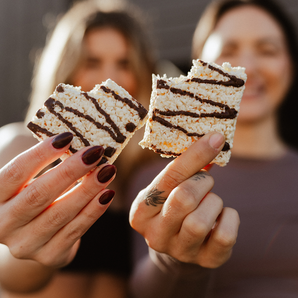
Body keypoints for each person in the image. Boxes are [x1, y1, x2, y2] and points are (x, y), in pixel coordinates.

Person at [0, 0, 240, 297]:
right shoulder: (18, 148)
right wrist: (26, 251)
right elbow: (8, 278)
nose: (109, 78)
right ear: (64, 69)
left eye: (125, 63)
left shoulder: (150, 168)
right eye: (91, 61)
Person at [129, 0, 298, 297]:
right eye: (228, 52)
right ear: (198, 67)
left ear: (291, 65)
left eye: (268, 50)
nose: (246, 68)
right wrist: (175, 261)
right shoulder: (158, 181)